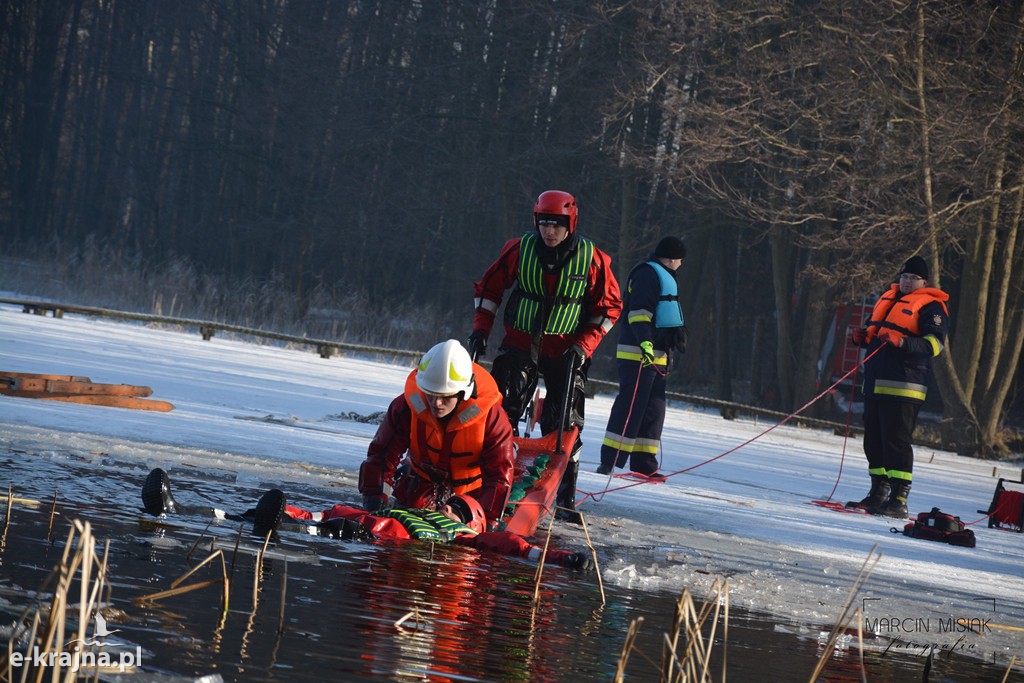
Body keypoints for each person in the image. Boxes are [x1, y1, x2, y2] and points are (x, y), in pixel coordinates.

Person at [468, 190, 622, 523]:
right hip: (520, 345)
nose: (549, 232)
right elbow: (489, 290)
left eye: (557, 225)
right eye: (544, 224)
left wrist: (584, 347)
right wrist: (481, 330)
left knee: (565, 424)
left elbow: (609, 308)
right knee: (500, 412)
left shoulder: (593, 259)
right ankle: (486, 483)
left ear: (571, 224)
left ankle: (565, 498)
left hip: (568, 353)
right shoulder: (518, 250)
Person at [141, 468, 593, 570]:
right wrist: (287, 509)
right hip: (349, 524)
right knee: (308, 515)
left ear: (470, 522)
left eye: (456, 508)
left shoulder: (462, 539)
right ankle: (179, 509)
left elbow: (506, 545)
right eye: (447, 503)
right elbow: (332, 509)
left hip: (358, 539)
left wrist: (551, 556)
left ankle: (276, 526)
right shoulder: (408, 511)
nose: (444, 507)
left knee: (325, 525)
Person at [357, 339, 515, 530]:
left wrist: (487, 522)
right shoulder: (406, 406)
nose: (436, 403)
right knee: (404, 523)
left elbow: (498, 477)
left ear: (464, 392)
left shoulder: (492, 418)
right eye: (430, 393)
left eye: (445, 396)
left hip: (471, 496)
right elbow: (381, 456)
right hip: (420, 482)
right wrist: (374, 504)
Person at [847, 255, 950, 518]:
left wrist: (902, 342)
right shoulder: (888, 299)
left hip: (905, 386)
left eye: (913, 278)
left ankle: (899, 499)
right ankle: (878, 493)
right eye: (903, 277)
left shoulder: (932, 308)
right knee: (873, 441)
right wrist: (863, 337)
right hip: (875, 384)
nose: (906, 282)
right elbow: (876, 332)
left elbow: (934, 345)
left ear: (924, 281)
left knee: (897, 443)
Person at [598, 236, 688, 477]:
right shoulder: (648, 274)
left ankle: (644, 464)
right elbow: (639, 312)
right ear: (671, 259)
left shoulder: (663, 275)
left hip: (658, 356)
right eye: (680, 260)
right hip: (638, 353)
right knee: (631, 406)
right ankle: (610, 460)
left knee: (653, 410)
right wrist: (645, 341)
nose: (680, 265)